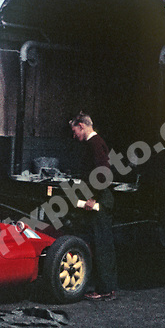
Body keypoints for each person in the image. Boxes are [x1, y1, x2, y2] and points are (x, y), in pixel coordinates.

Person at [70, 112, 118, 300]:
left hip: (100, 202)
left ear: (82, 126)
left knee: (102, 245)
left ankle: (105, 289)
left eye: (75, 131)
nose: (75, 136)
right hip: (101, 200)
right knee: (102, 244)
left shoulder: (94, 143)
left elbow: (103, 173)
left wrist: (93, 198)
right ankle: (106, 287)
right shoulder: (96, 142)